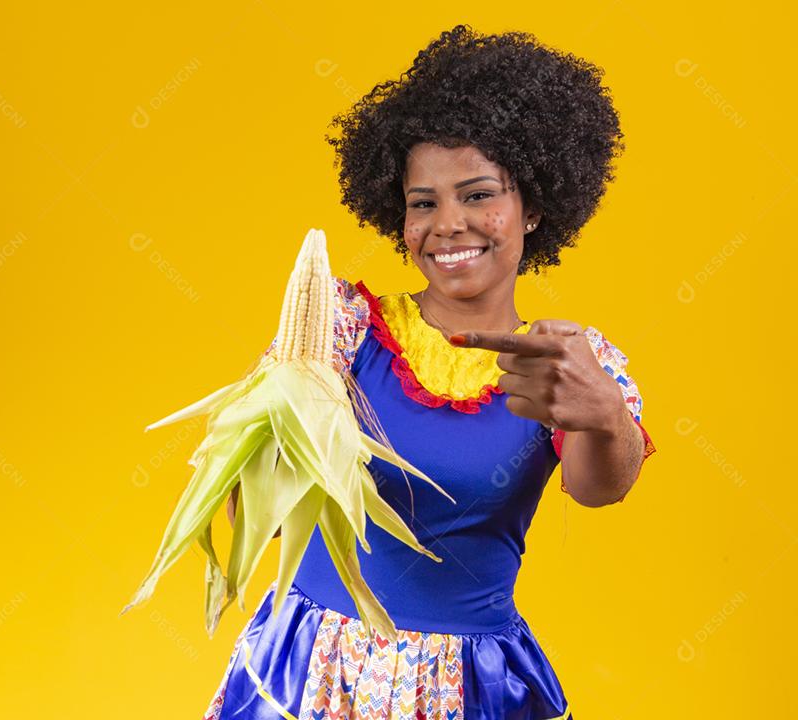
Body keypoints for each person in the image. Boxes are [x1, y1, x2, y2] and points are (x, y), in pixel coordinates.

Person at [204, 24, 656, 720]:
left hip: (473, 684)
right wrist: (271, 425)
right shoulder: (345, 330)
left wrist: (604, 415)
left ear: (533, 208)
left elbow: (600, 489)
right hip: (316, 670)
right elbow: (255, 521)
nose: (448, 223)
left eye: (478, 195)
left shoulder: (561, 359)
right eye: (424, 202)